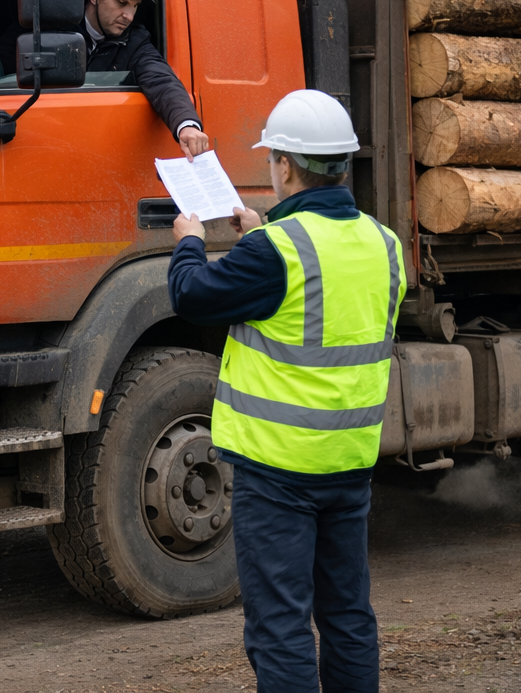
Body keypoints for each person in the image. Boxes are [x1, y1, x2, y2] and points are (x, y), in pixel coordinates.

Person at [167, 89, 405, 693]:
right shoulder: (385, 245)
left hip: (278, 471)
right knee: (348, 615)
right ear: (343, 165)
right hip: (348, 462)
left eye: (273, 158)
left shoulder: (273, 252)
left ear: (286, 166)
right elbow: (323, 293)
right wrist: (261, 230)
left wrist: (189, 239)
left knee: (279, 627)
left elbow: (192, 294)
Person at [0, 0, 210, 160]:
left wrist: (186, 124)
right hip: (36, 145)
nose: (129, 16)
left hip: (99, 152)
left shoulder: (135, 42)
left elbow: (162, 81)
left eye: (135, 7)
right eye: (122, 2)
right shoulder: (47, 27)